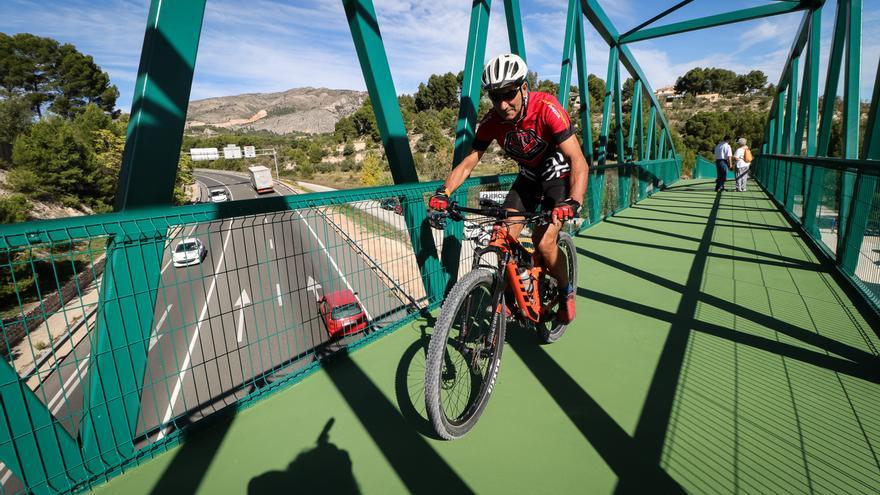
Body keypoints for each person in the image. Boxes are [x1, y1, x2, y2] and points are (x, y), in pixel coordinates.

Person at [427, 53, 589, 324]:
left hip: (558, 178)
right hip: (528, 178)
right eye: (495, 96)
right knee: (501, 234)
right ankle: (516, 286)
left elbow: (578, 162)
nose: (502, 104)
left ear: (524, 88)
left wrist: (573, 201)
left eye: (509, 94)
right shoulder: (492, 121)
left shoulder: (547, 108)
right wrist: (444, 193)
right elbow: (469, 162)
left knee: (544, 241)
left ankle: (565, 291)